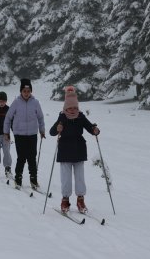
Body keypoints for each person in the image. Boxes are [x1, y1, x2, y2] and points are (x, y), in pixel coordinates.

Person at [49, 86, 100, 214]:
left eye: (75, 107)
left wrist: (95, 130)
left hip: (79, 151)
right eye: (70, 107)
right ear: (65, 108)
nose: (72, 110)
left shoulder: (80, 116)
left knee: (80, 178)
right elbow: (51, 132)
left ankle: (80, 200)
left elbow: (89, 127)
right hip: (65, 151)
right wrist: (58, 128)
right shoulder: (62, 117)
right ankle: (65, 200)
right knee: (66, 178)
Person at [3, 78, 45, 190]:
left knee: (32, 158)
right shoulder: (16, 102)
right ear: (21, 91)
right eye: (24, 91)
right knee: (21, 157)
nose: (26, 93)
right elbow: (8, 118)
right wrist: (6, 132)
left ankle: (33, 180)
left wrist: (42, 130)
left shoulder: (35, 103)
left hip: (32, 134)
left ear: (31, 91)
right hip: (19, 134)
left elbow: (40, 117)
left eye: (28, 91)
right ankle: (18, 179)